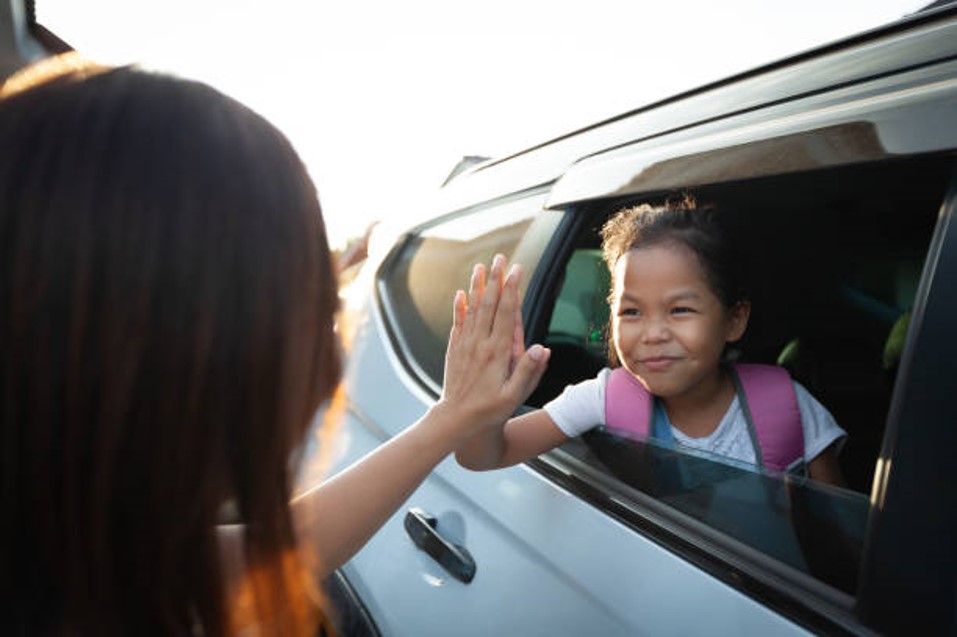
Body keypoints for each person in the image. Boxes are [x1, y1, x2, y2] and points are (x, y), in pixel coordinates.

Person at [0, 54, 549, 636]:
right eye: (309, 315)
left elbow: (281, 552)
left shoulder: (79, 549)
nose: (329, 372)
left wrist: (448, 420)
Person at [455, 197, 846, 485]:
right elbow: (483, 456)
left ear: (734, 319)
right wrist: (487, 408)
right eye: (631, 312)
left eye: (679, 310)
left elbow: (838, 546)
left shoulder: (787, 406)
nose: (653, 334)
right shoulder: (603, 398)